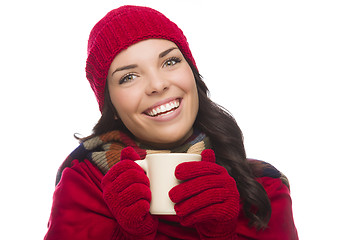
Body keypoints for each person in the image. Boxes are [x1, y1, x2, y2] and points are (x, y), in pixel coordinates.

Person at [44, 5, 298, 240]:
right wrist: (129, 235)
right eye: (129, 77)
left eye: (170, 61)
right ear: (112, 108)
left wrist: (222, 234)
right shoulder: (84, 183)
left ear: (192, 75)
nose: (157, 85)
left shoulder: (264, 185)